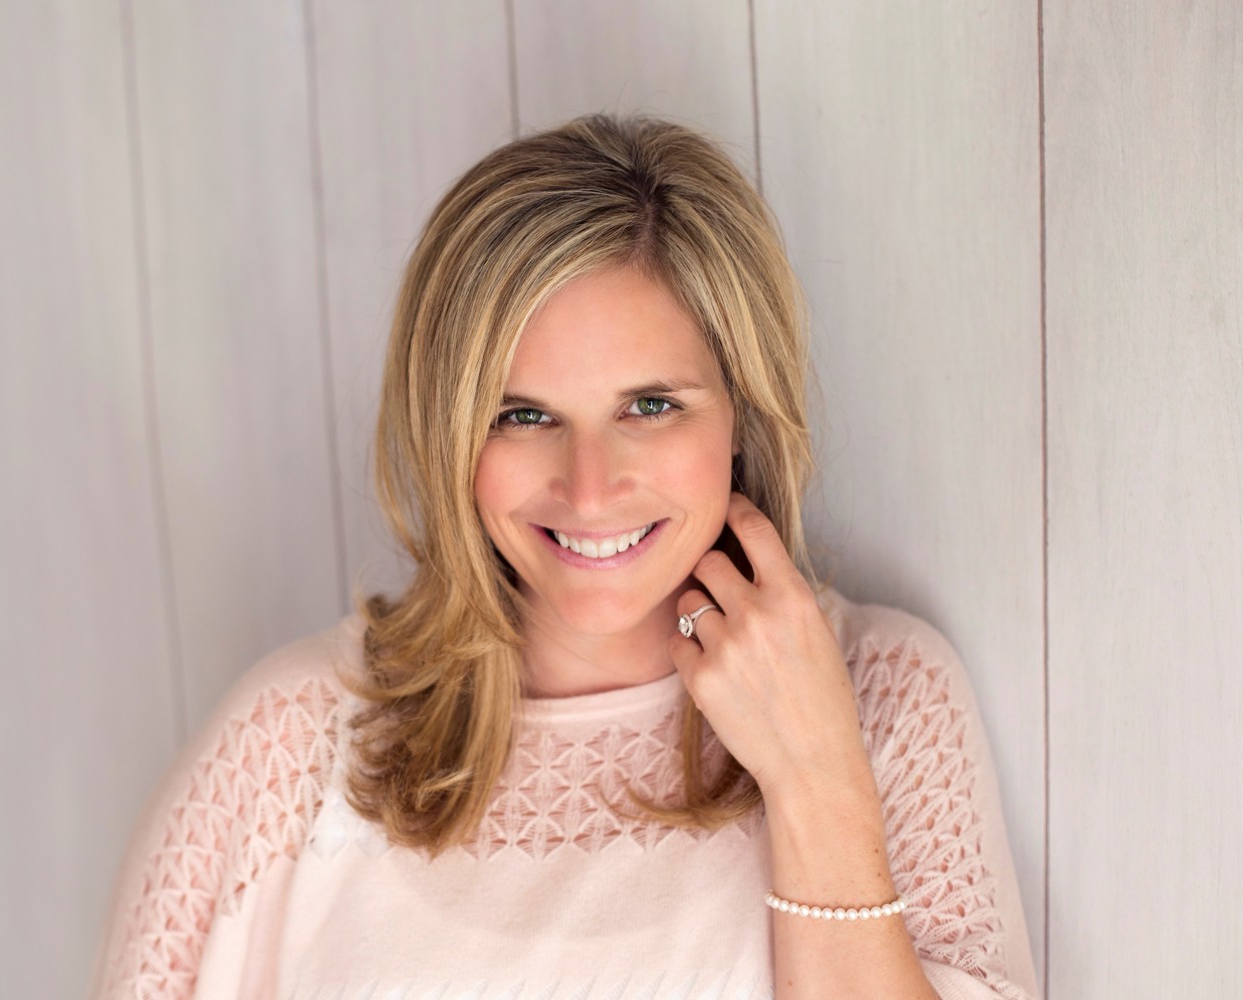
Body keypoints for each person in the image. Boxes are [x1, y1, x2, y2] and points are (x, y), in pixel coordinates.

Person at [87, 114, 1037, 999]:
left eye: (650, 405)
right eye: (524, 415)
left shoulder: (885, 700)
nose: (589, 488)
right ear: (451, 430)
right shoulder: (286, 746)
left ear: (742, 412)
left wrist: (816, 780)